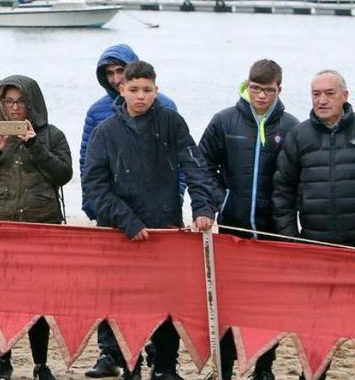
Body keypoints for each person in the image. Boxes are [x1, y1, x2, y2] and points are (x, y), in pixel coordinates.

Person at [82, 61, 217, 380]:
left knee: (167, 305)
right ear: (122, 89)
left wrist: (203, 207)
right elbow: (94, 186)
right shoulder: (105, 132)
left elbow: (195, 166)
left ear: (156, 90)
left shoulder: (172, 122)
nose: (140, 96)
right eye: (134, 90)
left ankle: (166, 367)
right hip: (119, 232)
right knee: (124, 306)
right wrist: (128, 221)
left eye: (147, 90)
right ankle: (130, 366)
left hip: (164, 227)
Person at [79, 44, 177, 379]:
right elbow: (88, 164)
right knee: (114, 292)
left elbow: (179, 164)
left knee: (161, 294)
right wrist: (95, 208)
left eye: (122, 71)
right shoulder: (98, 113)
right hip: (114, 218)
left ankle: (161, 360)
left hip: (160, 217)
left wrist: (174, 202)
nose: (117, 78)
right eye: (111, 74)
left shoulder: (166, 112)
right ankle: (112, 354)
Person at [199, 60, 297, 380]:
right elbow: (202, 166)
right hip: (232, 228)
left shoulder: (292, 127)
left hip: (272, 231)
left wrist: (289, 224)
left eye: (269, 90)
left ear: (279, 90)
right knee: (229, 306)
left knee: (269, 307)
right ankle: (224, 368)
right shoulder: (225, 121)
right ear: (247, 85)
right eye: (256, 89)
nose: (261, 96)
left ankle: (264, 368)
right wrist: (215, 202)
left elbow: (297, 180)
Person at [0, 75, 72, 380]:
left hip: (40, 229)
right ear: (0, 103)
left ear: (32, 102)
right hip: (0, 229)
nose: (15, 108)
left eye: (20, 101)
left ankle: (41, 364)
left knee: (40, 300)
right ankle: (3, 360)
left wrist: (34, 144)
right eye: (8, 101)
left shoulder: (53, 135)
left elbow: (62, 175)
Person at [274, 70, 355, 246]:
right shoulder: (298, 135)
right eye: (316, 94)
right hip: (313, 245)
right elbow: (283, 192)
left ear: (345, 95)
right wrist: (291, 238)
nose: (322, 100)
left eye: (329, 93)